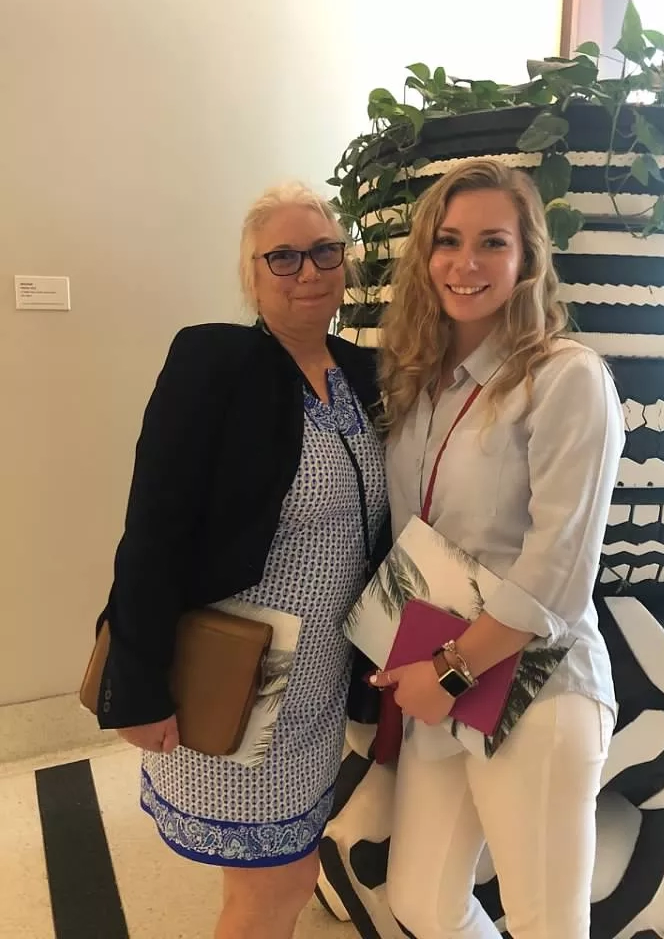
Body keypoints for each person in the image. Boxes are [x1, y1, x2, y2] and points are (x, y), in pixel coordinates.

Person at [94, 182, 388, 939]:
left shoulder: (363, 376)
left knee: (283, 874)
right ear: (251, 277)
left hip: (322, 678)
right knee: (278, 882)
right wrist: (139, 683)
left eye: (324, 251)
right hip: (236, 675)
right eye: (282, 257)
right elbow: (152, 526)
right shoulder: (215, 361)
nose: (308, 271)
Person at [370, 159, 625, 939]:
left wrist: (451, 673)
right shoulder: (421, 383)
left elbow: (557, 572)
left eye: (492, 242)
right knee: (420, 900)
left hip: (534, 691)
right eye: (448, 242)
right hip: (440, 687)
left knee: (549, 923)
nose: (466, 263)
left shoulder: (565, 378)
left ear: (526, 259)